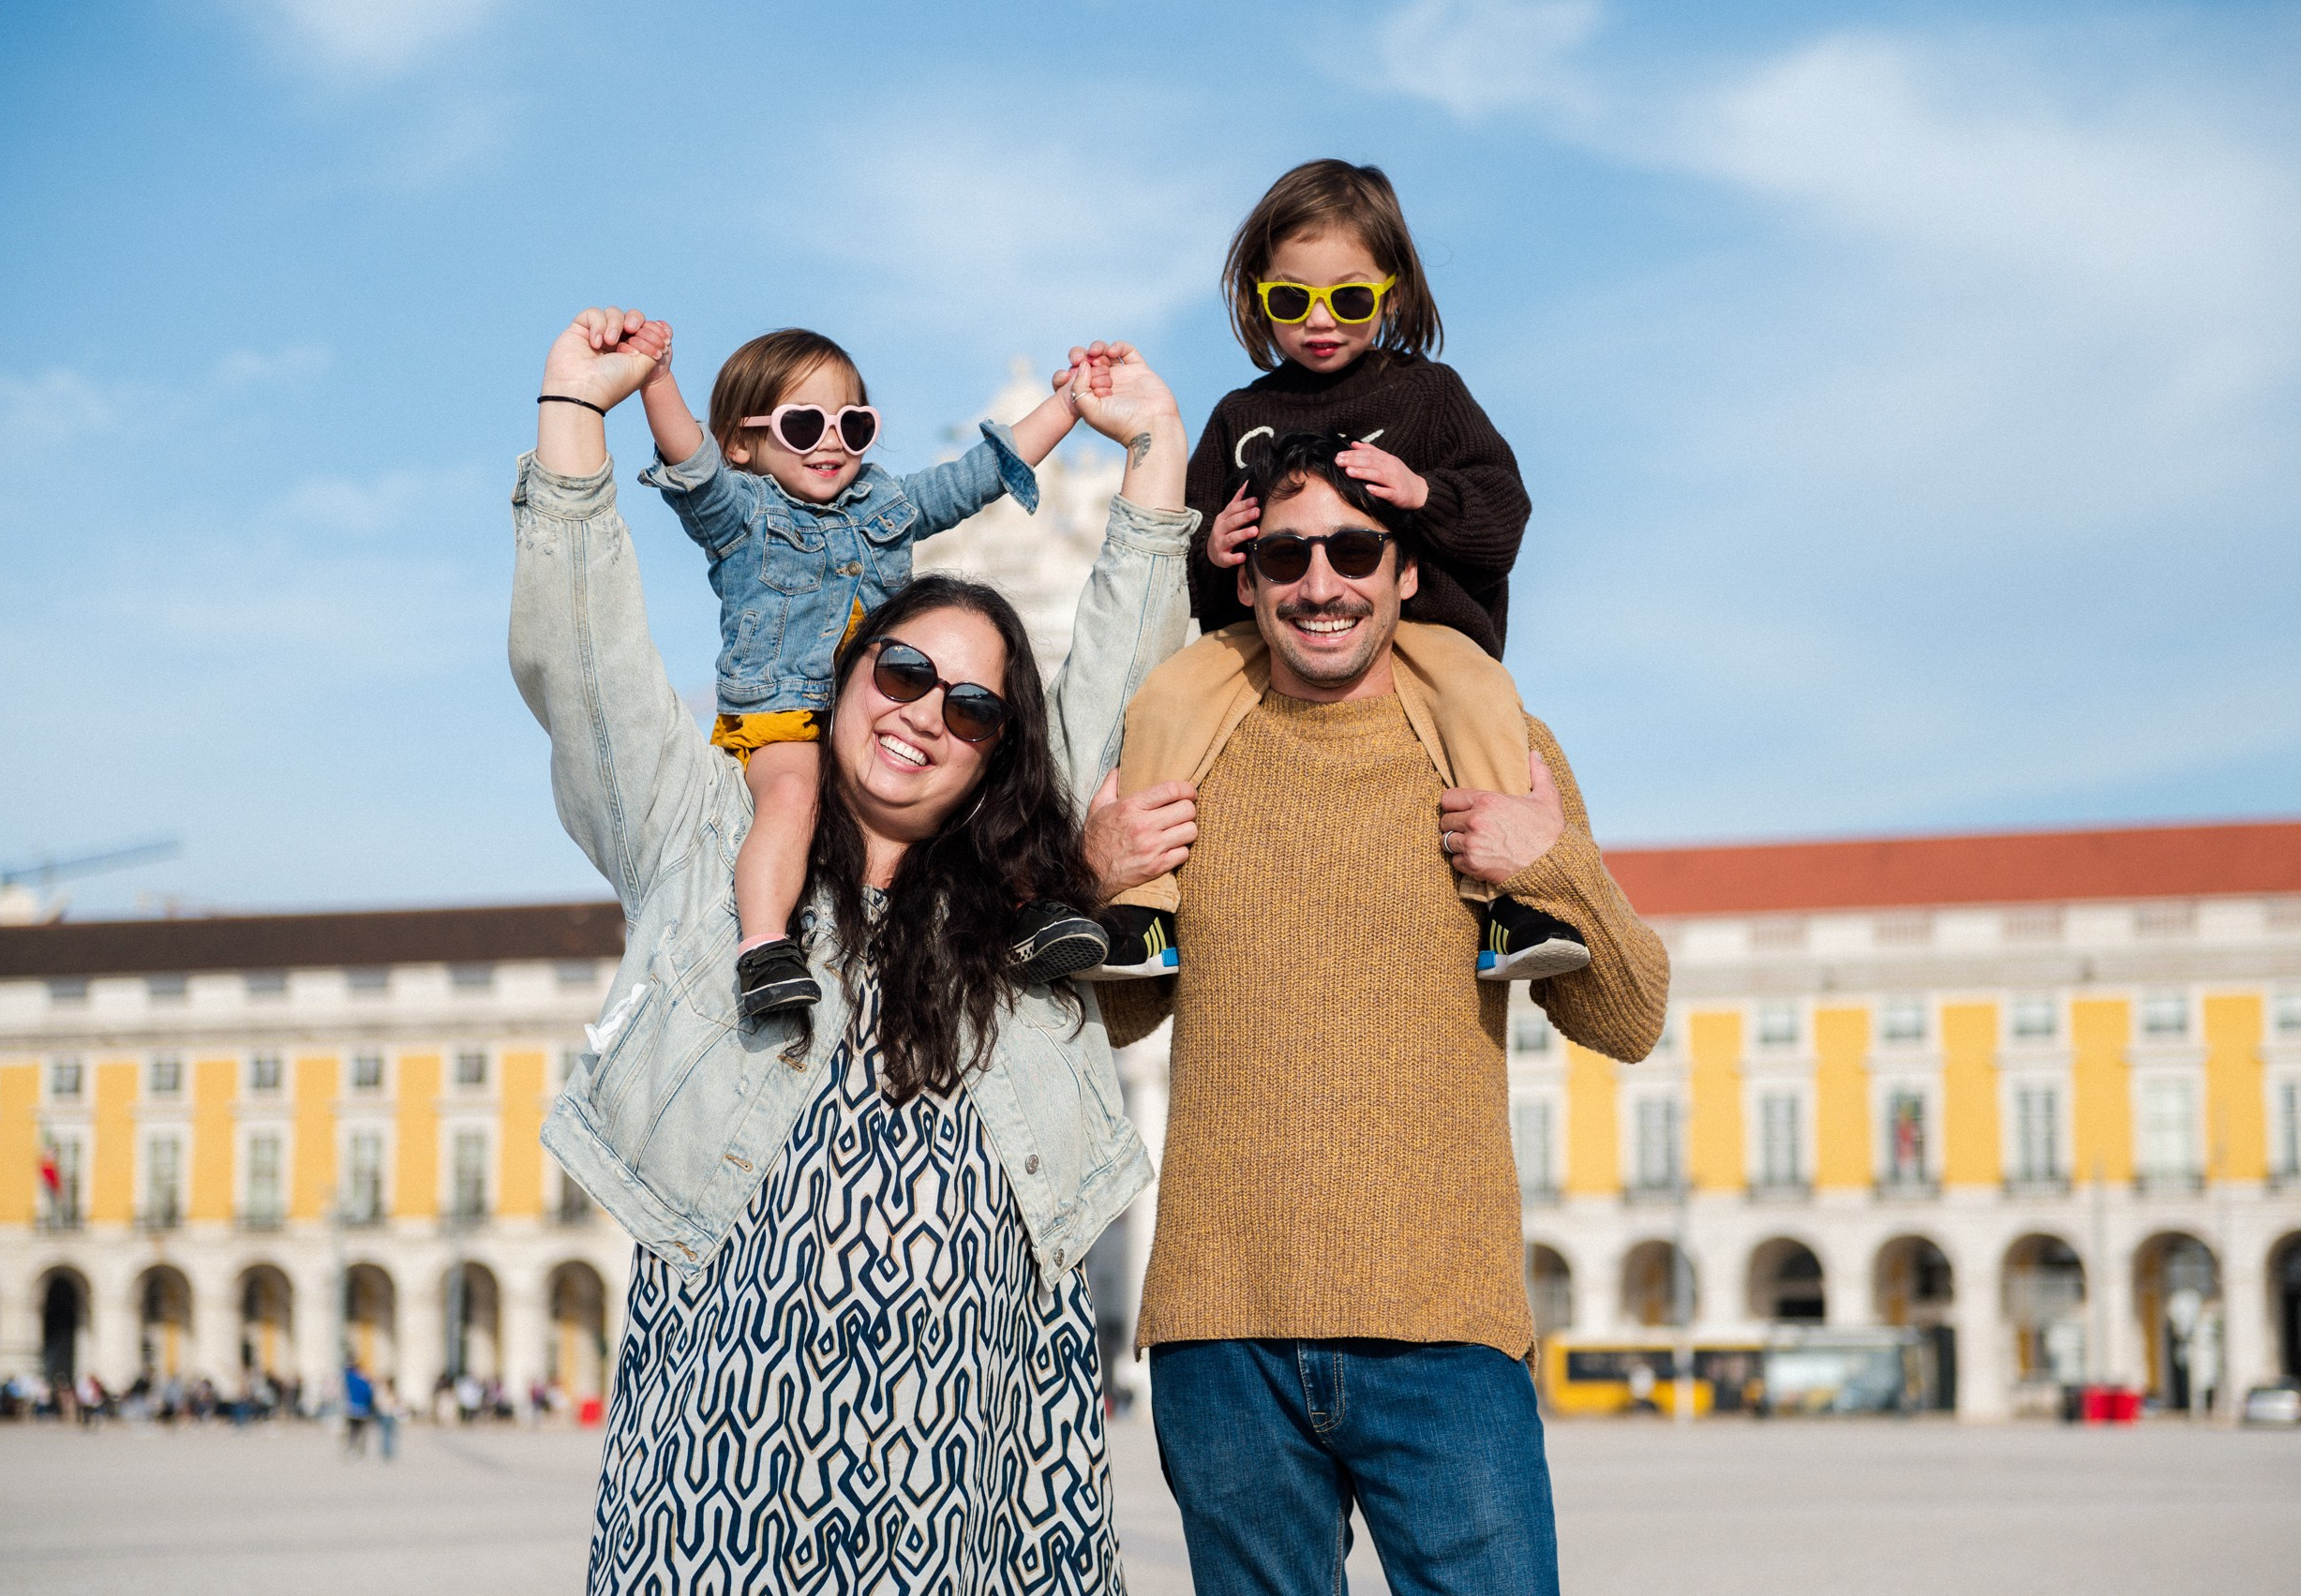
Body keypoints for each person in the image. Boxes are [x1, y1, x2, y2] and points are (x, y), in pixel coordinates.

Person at [513, 307, 1198, 1594]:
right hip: (716, 1494)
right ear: (842, 675)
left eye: (976, 703)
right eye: (900, 668)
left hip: (985, 1494)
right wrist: (571, 412)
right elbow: (581, 661)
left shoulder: (1016, 918)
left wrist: (1154, 444)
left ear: (1003, 748)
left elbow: (1122, 655)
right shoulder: (700, 830)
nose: (927, 713)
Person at [1089, 435, 1670, 1595]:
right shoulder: (1181, 746)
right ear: (1247, 575)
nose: (1320, 582)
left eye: (1354, 549)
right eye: (1289, 553)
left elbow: (1626, 1014)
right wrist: (1098, 877)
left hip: (1444, 1322)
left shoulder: (1497, 748)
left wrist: (1547, 863)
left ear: (1405, 571)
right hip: (1222, 1330)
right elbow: (1118, 1019)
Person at [1093, 158, 1586, 985]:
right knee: (1170, 695)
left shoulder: (1429, 397)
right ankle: (1141, 907)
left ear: (1390, 294)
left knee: (1481, 697)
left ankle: (1510, 902)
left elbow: (1505, 515)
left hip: (1425, 632)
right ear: (1258, 299)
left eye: (1349, 299)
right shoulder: (1240, 418)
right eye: (1292, 300)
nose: (1321, 320)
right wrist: (1213, 548)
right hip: (1263, 639)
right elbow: (1198, 576)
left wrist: (1426, 494)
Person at [605, 317, 1113, 1017]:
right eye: (805, 423)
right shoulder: (740, 514)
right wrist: (657, 377)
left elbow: (980, 476)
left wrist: (1069, 403)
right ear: (744, 444)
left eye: (854, 423)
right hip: (783, 717)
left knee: (988, 790)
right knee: (793, 801)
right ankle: (763, 948)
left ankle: (1031, 911)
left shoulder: (887, 505)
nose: (833, 440)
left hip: (874, 710)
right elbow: (691, 463)